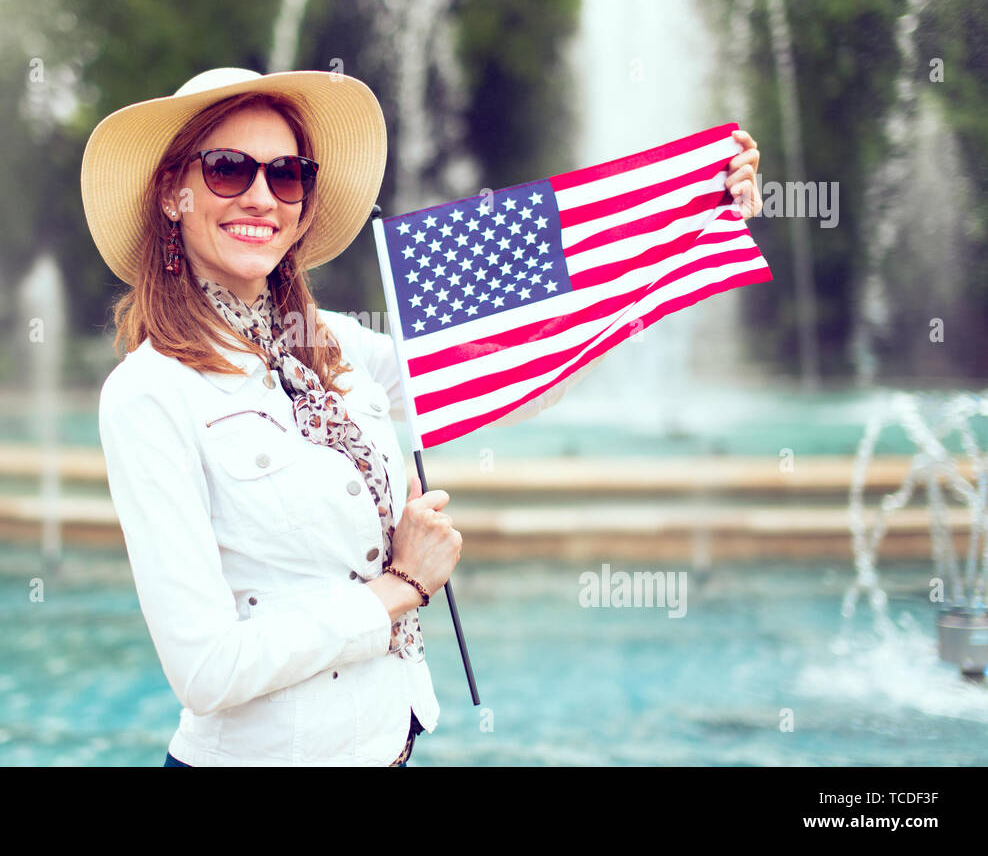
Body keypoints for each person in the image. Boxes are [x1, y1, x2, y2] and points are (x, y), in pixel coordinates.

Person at [81, 67, 761, 766]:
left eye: (286, 174)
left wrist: (687, 225)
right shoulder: (150, 393)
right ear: (173, 193)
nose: (261, 196)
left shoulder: (333, 343)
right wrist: (399, 587)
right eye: (228, 169)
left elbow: (520, 371)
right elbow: (206, 671)